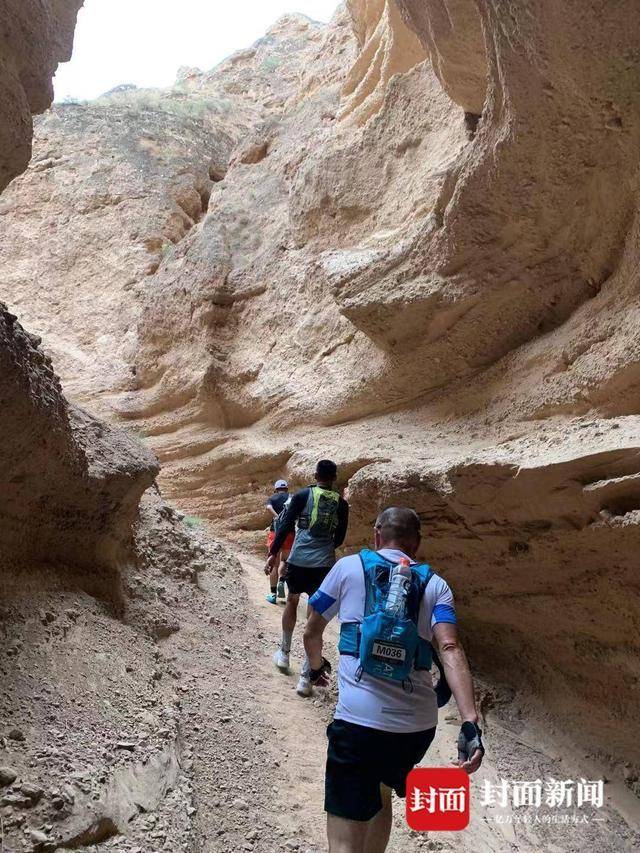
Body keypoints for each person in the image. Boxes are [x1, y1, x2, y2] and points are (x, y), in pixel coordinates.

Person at [303, 507, 484, 853]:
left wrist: (315, 667)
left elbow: (312, 629)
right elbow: (449, 647)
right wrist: (469, 723)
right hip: (414, 730)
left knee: (343, 840)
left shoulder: (348, 567)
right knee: (382, 790)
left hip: (359, 725)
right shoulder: (436, 585)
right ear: (416, 545)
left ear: (376, 536)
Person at [266, 459, 349, 697]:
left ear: (315, 475)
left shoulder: (303, 495)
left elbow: (283, 526)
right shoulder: (342, 505)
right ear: (334, 478)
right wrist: (324, 548)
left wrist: (273, 555)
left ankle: (284, 653)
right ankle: (305, 677)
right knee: (314, 616)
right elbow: (340, 537)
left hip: (299, 559)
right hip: (324, 564)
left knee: (292, 601)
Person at [264, 479, 293, 604]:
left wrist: (277, 518)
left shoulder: (272, 498)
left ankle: (273, 594)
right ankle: (282, 581)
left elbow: (268, 507)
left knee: (274, 563)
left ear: (276, 489)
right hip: (290, 532)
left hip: (275, 532)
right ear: (286, 488)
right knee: (284, 560)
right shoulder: (291, 497)